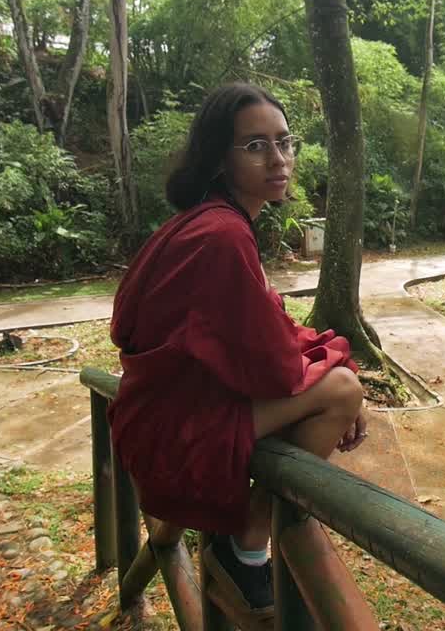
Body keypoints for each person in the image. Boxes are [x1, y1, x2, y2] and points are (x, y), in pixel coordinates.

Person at [108, 82, 368, 621]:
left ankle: (240, 542)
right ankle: (246, 544)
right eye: (255, 145)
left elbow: (263, 325)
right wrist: (338, 364)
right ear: (218, 157)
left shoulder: (205, 221)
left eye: (284, 141)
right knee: (342, 390)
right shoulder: (222, 235)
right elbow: (271, 367)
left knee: (334, 374)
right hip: (169, 438)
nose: (278, 159)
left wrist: (328, 350)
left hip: (148, 419)